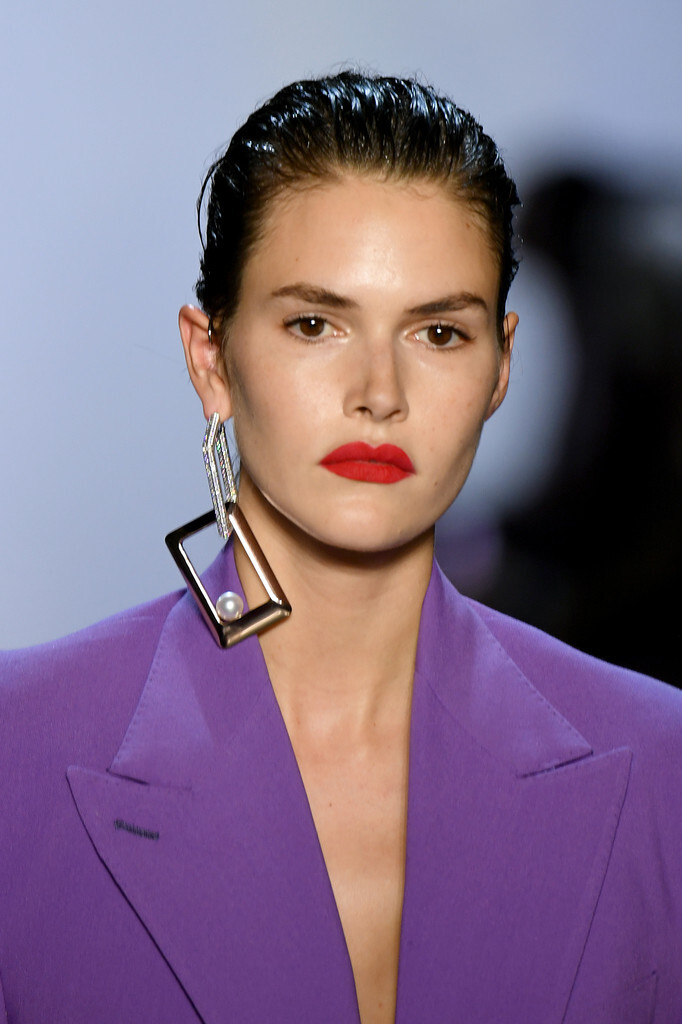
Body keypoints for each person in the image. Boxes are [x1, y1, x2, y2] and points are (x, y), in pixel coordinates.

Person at [1, 73, 681, 1024]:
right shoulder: (17, 752)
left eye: (438, 332)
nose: (379, 392)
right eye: (315, 324)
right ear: (211, 359)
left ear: (500, 367)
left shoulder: (660, 765)